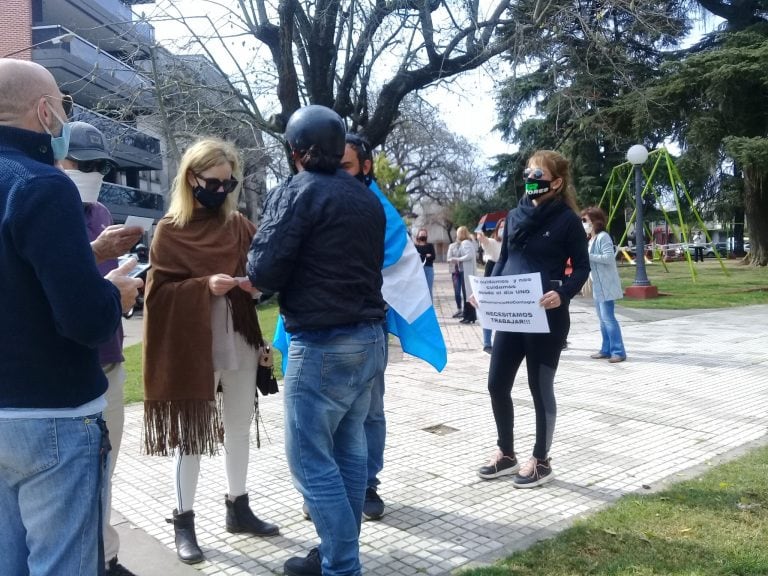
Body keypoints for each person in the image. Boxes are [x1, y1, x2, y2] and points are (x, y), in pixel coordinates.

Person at [0, 58, 141, 576]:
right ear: (43, 112)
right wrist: (116, 295)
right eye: (63, 107)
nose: (63, 119)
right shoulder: (42, 185)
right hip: (52, 414)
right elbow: (85, 320)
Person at [248, 105, 386, 576]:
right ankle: (334, 557)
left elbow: (263, 270)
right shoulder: (365, 197)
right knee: (349, 452)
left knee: (309, 461)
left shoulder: (297, 191)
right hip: (369, 339)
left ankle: (341, 566)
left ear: (295, 153)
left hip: (323, 342)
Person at [142, 138, 279, 566]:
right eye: (214, 182)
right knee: (192, 437)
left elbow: (267, 264)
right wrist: (205, 286)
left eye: (228, 182)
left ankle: (238, 506)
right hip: (193, 346)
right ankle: (183, 521)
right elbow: (157, 294)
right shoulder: (169, 229)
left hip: (238, 336)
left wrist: (256, 283)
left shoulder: (236, 225)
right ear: (191, 179)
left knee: (238, 426)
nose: (221, 189)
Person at [60, 121, 144, 576]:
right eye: (83, 164)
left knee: (104, 471)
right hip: (69, 370)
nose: (91, 173)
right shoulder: (46, 208)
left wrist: (127, 289)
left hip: (109, 359)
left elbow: (104, 290)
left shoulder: (102, 213)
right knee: (69, 482)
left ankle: (106, 556)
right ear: (59, 157)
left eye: (99, 166)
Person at [477, 150, 589, 488]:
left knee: (539, 388)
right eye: (527, 173)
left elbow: (582, 268)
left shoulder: (567, 220)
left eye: (537, 175)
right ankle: (506, 453)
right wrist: (485, 292)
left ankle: (541, 459)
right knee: (497, 384)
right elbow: (503, 260)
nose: (530, 179)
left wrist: (563, 292)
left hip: (546, 316)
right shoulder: (514, 216)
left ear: (556, 182)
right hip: (512, 315)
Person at [582, 207, 627, 363]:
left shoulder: (603, 237)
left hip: (606, 284)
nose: (583, 224)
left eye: (585, 221)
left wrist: (587, 256)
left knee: (608, 318)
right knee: (602, 319)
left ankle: (618, 351)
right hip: (598, 285)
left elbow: (608, 258)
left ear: (596, 222)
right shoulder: (592, 239)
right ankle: (606, 349)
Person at [477, 220, 504, 353]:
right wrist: (481, 236)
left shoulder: (511, 243)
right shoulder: (494, 242)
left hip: (506, 276)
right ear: (497, 228)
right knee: (488, 309)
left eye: (506, 226)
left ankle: (502, 342)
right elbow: (485, 241)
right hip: (492, 273)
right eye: (502, 226)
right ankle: (487, 343)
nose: (504, 229)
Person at [452, 226, 478, 324]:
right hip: (466, 271)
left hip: (467, 272)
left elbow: (469, 255)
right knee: (467, 294)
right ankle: (469, 316)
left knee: (467, 294)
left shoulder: (465, 243)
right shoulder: (467, 242)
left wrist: (458, 259)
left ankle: (469, 317)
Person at [414, 228, 436, 299]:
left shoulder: (430, 245)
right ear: (418, 235)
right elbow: (416, 258)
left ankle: (430, 308)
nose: (423, 235)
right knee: (419, 290)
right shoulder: (415, 246)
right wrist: (426, 255)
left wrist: (421, 256)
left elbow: (433, 257)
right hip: (418, 270)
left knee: (429, 290)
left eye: (424, 234)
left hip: (429, 269)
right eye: (421, 234)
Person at [447, 239, 465, 318]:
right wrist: (453, 260)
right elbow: (448, 258)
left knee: (465, 291)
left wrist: (459, 259)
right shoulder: (452, 246)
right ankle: (459, 309)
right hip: (455, 271)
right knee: (457, 292)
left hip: (464, 270)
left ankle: (466, 310)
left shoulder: (466, 245)